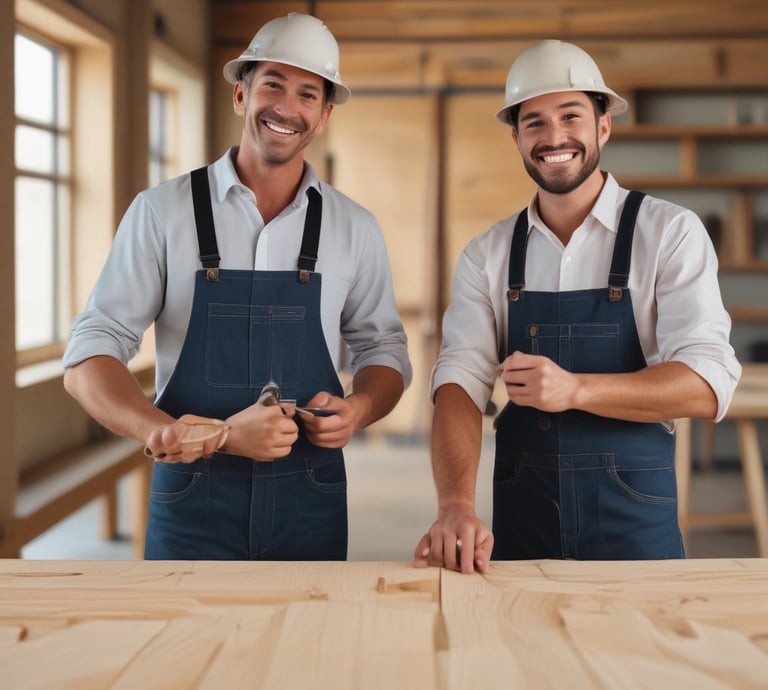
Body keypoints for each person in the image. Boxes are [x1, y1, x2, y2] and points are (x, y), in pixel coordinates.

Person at [63, 12, 412, 561]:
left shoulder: (354, 228)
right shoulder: (161, 213)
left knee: (305, 643)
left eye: (307, 94)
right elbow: (90, 355)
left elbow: (384, 347)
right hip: (192, 500)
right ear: (240, 95)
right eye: (272, 84)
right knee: (185, 645)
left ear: (321, 118)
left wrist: (360, 407)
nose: (287, 108)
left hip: (309, 499)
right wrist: (173, 434)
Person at [413, 39, 741, 573]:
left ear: (602, 126)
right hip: (522, 528)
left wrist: (575, 390)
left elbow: (707, 384)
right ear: (516, 137)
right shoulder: (487, 255)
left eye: (571, 116)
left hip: (635, 531)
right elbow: (458, 382)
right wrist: (454, 505)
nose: (554, 137)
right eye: (534, 122)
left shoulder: (668, 233)